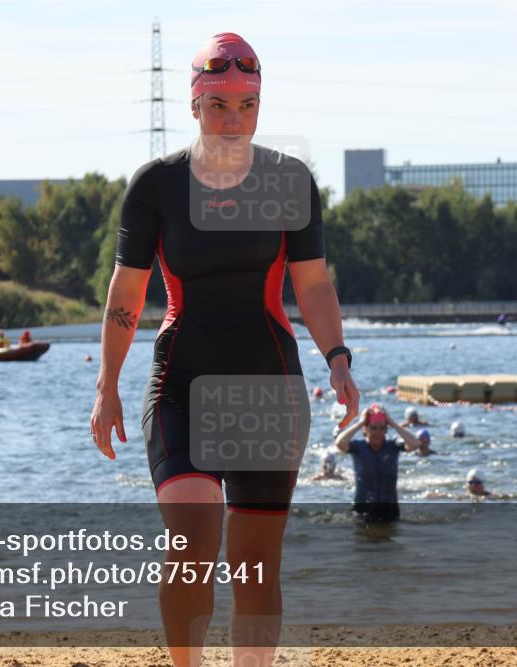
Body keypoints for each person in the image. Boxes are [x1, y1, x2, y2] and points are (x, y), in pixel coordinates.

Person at [89, 32, 359, 667]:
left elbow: (312, 282)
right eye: (218, 105)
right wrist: (106, 387)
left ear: (260, 106)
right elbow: (125, 292)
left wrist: (338, 358)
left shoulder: (290, 181)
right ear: (194, 106)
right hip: (181, 381)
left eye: (246, 105)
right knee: (191, 543)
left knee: (256, 566)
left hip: (270, 386)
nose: (232, 119)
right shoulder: (156, 186)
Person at [334, 403, 420, 524]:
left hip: (389, 509)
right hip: (362, 509)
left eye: (381, 428)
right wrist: (360, 423)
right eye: (373, 428)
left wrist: (393, 423)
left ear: (386, 429)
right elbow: (339, 443)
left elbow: (415, 444)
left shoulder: (393, 445)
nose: (378, 432)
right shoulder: (358, 447)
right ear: (365, 429)